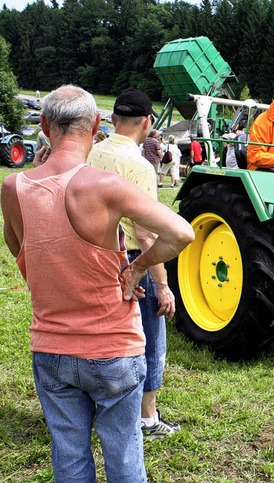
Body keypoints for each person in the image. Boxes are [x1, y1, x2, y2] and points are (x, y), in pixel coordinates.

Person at [0, 85, 194, 482]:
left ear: (43, 125)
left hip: (51, 350)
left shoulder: (13, 188)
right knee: (124, 458)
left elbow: (22, 252)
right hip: (112, 349)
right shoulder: (105, 185)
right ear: (96, 125)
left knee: (69, 457)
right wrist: (137, 268)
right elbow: (181, 233)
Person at [87, 87, 183, 438]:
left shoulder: (91, 153)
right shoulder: (139, 166)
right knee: (150, 341)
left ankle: (102, 408)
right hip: (130, 262)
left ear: (112, 120)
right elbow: (147, 236)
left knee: (103, 337)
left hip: (95, 258)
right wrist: (162, 286)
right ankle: (147, 418)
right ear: (147, 122)